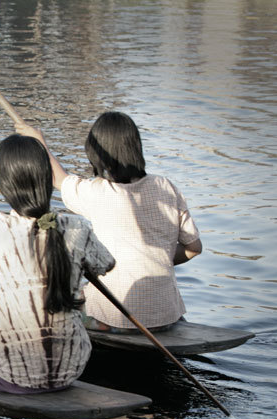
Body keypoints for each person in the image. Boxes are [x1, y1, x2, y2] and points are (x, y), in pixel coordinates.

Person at [0, 136, 114, 393]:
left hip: (3, 375)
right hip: (69, 371)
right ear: (47, 181)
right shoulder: (76, 227)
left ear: (2, 185)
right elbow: (106, 264)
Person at [17, 112, 202, 332]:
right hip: (167, 314)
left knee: (52, 301)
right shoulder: (166, 186)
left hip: (115, 318)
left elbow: (57, 178)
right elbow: (193, 248)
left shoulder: (98, 192)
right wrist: (155, 257)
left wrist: (40, 142)